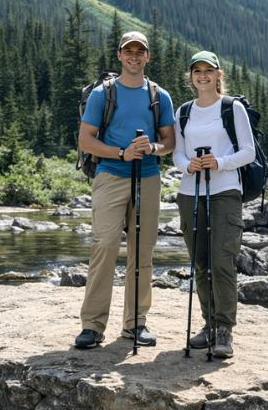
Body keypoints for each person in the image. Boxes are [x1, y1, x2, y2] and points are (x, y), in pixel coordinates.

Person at [74, 31, 175, 349]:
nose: (134, 56)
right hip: (110, 176)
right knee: (104, 245)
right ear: (119, 55)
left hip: (148, 178)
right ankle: (92, 325)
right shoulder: (102, 94)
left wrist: (153, 147)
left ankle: (135, 324)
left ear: (148, 57)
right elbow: (85, 140)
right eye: (128, 51)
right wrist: (121, 153)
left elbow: (169, 142)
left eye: (140, 51)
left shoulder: (160, 96)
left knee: (142, 251)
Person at [173, 51, 255, 358]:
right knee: (201, 262)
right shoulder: (183, 111)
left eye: (209, 70)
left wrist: (218, 162)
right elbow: (177, 154)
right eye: (198, 71)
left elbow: (248, 152)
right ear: (191, 76)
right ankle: (208, 325)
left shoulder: (231, 108)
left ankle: (224, 330)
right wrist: (188, 166)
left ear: (219, 74)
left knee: (223, 260)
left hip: (225, 192)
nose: (203, 75)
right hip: (190, 192)